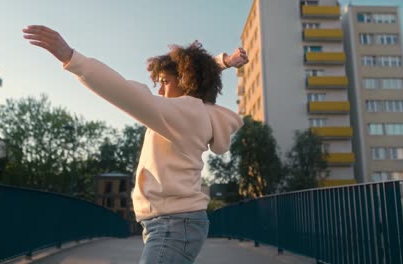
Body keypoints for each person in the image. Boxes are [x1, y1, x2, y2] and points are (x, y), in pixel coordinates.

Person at [22, 25, 248, 264]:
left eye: (164, 82)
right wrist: (224, 61)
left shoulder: (185, 112)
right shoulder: (192, 113)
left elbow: (125, 92)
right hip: (174, 222)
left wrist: (71, 58)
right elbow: (197, 72)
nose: (159, 90)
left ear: (185, 81)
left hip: (174, 223)